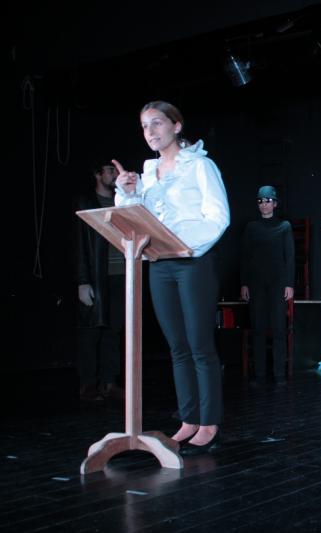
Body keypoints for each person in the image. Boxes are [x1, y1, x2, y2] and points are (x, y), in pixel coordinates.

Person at [113, 101, 230, 456]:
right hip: (159, 263)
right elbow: (140, 220)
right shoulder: (148, 174)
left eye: (157, 123)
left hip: (193, 262)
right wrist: (127, 194)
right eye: (144, 126)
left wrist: (184, 245)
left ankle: (209, 423)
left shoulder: (201, 166)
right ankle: (189, 420)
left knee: (199, 345)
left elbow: (218, 217)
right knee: (177, 347)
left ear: (176, 126)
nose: (150, 132)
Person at [74, 161, 125, 402]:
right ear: (97, 174)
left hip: (122, 275)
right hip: (96, 277)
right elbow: (79, 244)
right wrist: (83, 281)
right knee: (91, 331)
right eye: (110, 170)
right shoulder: (86, 202)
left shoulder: (121, 201)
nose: (114, 174)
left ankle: (109, 382)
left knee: (114, 331)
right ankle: (88, 384)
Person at [240, 185, 295, 385]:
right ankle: (260, 374)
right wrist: (244, 284)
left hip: (278, 283)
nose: (264, 204)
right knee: (258, 328)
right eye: (261, 201)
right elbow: (245, 257)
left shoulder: (284, 226)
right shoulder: (251, 227)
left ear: (275, 203)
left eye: (268, 201)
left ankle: (279, 373)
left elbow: (289, 256)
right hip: (256, 283)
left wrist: (289, 284)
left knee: (279, 328)